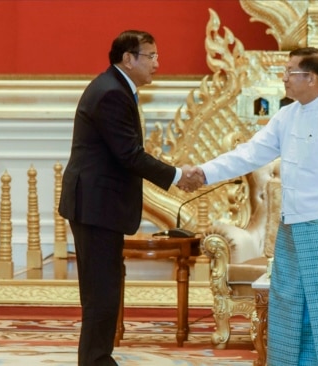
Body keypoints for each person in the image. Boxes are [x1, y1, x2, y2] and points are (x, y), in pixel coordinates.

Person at [197, 47, 318, 365]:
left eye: (290, 72)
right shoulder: (286, 115)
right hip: (290, 228)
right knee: (290, 303)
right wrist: (204, 172)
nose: (284, 78)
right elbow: (250, 153)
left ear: (312, 78)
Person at [58, 30, 203, 365]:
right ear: (129, 58)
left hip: (99, 205)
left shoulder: (116, 87)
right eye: (151, 56)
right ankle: (95, 361)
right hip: (95, 206)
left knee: (104, 291)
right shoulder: (111, 93)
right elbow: (129, 155)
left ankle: (97, 358)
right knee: (101, 294)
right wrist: (179, 176)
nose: (157, 63)